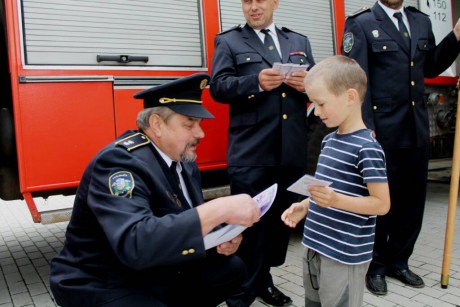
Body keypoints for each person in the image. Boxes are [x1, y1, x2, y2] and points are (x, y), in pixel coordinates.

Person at [49, 73, 261, 307]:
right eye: (189, 124)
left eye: (199, 124)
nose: (200, 134)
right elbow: (136, 242)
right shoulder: (119, 163)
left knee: (230, 269)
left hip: (149, 267)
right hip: (102, 278)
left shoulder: (183, 161)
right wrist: (218, 209)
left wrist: (222, 234)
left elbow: (183, 217)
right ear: (157, 125)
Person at [341, 0, 460, 296]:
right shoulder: (362, 23)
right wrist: (363, 126)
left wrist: (456, 36)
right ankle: (376, 266)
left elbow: (430, 65)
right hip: (380, 131)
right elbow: (355, 79)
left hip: (415, 128)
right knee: (380, 202)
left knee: (411, 201)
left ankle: (399, 261)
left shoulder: (420, 21)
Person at [209, 0, 315, 306]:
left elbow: (318, 85)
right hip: (252, 150)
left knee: (278, 225)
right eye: (247, 1)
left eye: (260, 0)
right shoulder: (228, 40)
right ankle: (240, 291)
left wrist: (307, 84)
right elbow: (218, 88)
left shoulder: (298, 41)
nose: (254, 7)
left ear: (275, 3)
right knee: (248, 223)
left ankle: (263, 280)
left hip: (290, 150)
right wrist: (253, 82)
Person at [281, 55, 391, 307]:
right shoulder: (329, 140)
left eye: (321, 104)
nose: (316, 112)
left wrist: (336, 200)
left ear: (350, 97)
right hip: (315, 246)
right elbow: (326, 189)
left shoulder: (368, 148)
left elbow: (381, 204)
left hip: (344, 255)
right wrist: (306, 206)